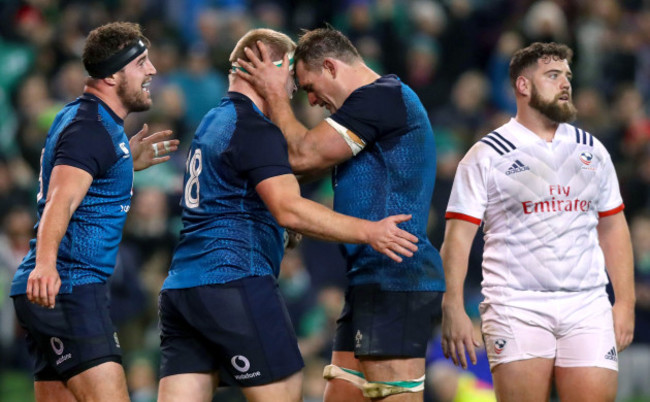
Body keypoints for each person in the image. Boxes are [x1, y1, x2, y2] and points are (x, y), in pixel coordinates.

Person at [157, 28, 420, 402]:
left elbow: (237, 195)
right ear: (273, 67)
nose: (296, 93)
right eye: (293, 82)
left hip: (181, 288)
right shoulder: (254, 127)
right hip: (235, 280)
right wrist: (370, 232)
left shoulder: (210, 123)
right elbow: (290, 208)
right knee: (284, 393)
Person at [235, 26, 444, 401]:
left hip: (396, 275)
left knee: (392, 395)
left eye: (310, 86)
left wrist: (271, 91)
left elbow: (301, 155)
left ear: (330, 66)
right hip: (370, 277)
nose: (312, 100)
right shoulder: (370, 115)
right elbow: (299, 169)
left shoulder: (383, 97)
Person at [439, 42, 635, 402]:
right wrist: (452, 304)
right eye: (553, 75)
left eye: (568, 76)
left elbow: (613, 226)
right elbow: (457, 238)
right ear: (523, 86)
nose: (565, 84)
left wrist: (624, 302)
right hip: (516, 305)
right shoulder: (486, 155)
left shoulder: (592, 150)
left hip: (588, 303)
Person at [9, 22, 178, 402]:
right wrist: (47, 265)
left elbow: (80, 182)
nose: (152, 71)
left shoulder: (87, 120)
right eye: (142, 63)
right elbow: (61, 199)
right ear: (114, 74)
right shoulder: (91, 128)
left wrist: (123, 162)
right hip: (68, 286)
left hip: (54, 290)